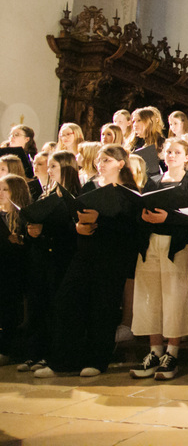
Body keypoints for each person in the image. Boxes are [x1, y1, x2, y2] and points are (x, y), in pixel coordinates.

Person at [35, 145, 144, 378]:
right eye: (98, 160)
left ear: (121, 164)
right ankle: (63, 361)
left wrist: (100, 220)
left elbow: (131, 229)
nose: (100, 164)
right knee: (67, 301)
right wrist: (77, 226)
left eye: (106, 160)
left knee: (102, 307)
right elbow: (74, 215)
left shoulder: (129, 192)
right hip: (85, 253)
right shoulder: (90, 186)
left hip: (111, 257)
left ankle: (96, 360)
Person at [130, 138, 188, 381]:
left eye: (177, 152)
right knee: (150, 296)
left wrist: (167, 218)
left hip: (176, 246)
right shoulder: (153, 182)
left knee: (174, 297)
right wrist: (143, 215)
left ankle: (172, 353)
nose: (171, 155)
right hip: (150, 243)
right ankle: (154, 351)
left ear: (187, 157)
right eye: (168, 151)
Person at [20, 153, 81, 372]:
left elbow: (72, 230)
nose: (49, 170)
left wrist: (45, 229)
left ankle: (52, 355)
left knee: (56, 307)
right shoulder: (46, 194)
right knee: (38, 305)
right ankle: (35, 353)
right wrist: (31, 231)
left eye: (54, 166)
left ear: (66, 167)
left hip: (62, 258)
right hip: (41, 258)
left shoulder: (75, 196)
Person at [0, 174, 32, 364]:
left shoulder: (24, 217)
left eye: (5, 189)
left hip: (17, 272)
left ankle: (9, 349)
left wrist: (19, 241)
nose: (0, 193)